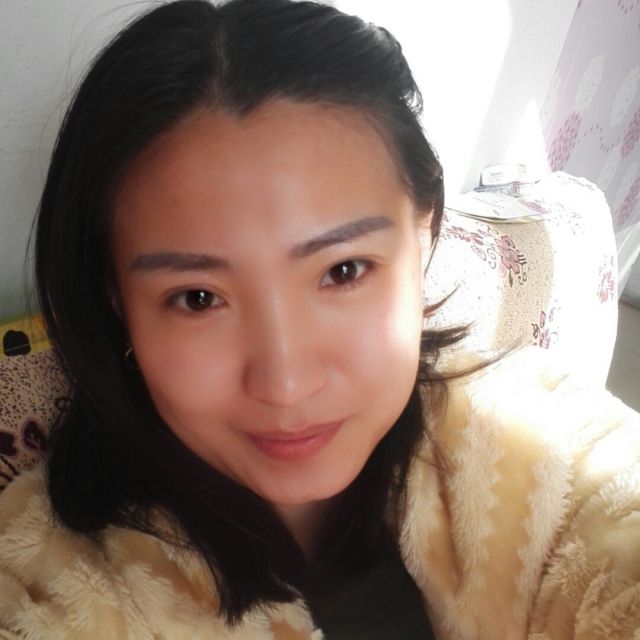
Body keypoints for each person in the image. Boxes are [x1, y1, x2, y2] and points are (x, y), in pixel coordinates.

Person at [0, 0, 639, 638]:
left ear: (424, 236)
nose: (285, 384)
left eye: (343, 271)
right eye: (198, 298)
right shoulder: (53, 581)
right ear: (118, 302)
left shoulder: (538, 446)